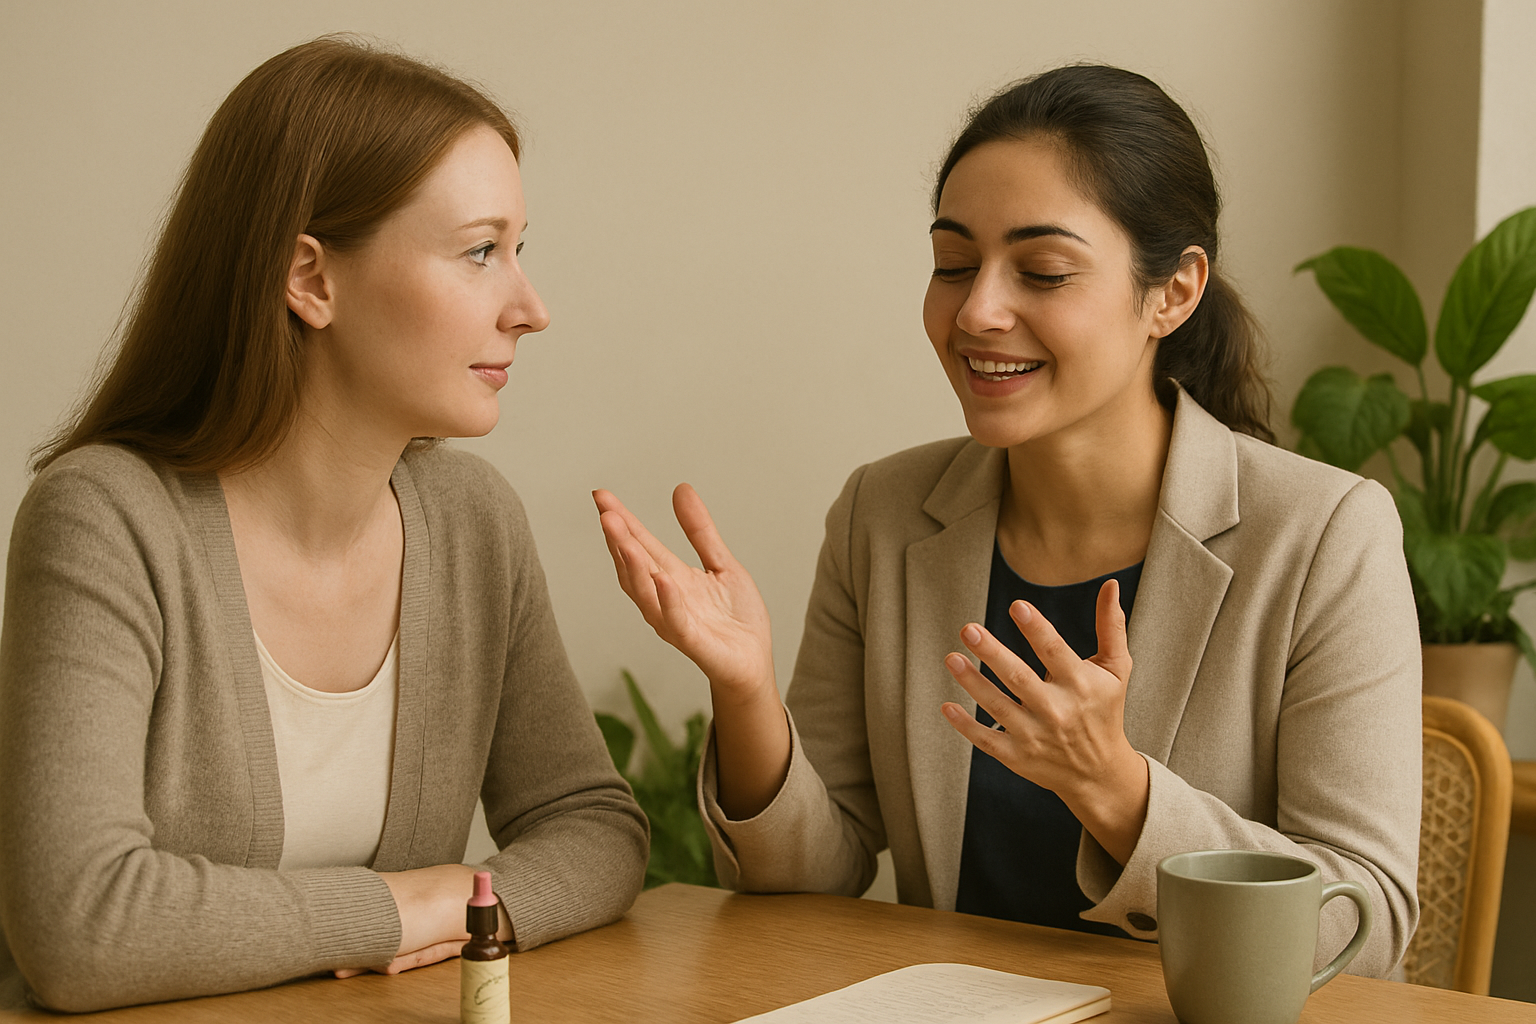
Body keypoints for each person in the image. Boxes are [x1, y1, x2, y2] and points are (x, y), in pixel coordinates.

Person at [595, 64, 1420, 977]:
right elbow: (811, 875)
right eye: (953, 264)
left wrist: (1116, 788)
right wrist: (747, 694)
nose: (977, 310)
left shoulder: (1327, 535)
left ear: (1175, 293)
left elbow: (1367, 928)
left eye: (1043, 271)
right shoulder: (883, 515)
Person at [0, 37, 647, 1012]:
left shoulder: (474, 523)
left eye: (521, 249)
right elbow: (80, 923)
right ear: (311, 279)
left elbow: (593, 824)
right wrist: (402, 908)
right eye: (480, 251)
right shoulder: (105, 520)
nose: (531, 307)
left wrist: (446, 905)